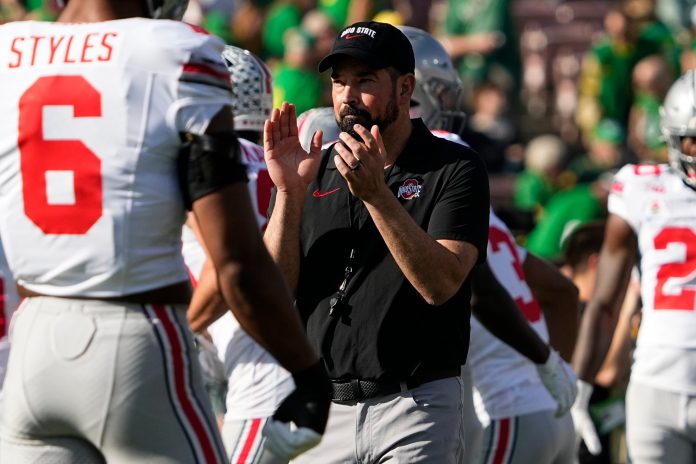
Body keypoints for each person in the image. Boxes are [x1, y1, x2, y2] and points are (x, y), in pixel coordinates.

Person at [0, 1, 330, 462]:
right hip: (135, 336)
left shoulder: (10, 48)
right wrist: (307, 371)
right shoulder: (178, 51)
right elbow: (235, 264)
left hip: (31, 344)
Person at [263, 21, 490, 463]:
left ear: (405, 89)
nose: (347, 96)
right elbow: (274, 292)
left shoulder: (454, 167)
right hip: (325, 408)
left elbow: (441, 283)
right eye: (339, 82)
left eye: (365, 80)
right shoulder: (311, 170)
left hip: (415, 405)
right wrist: (289, 194)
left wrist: (377, 196)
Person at [571, 69, 696, 463]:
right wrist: (578, 389)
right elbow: (605, 301)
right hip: (655, 384)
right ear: (674, 137)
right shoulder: (642, 188)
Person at [184, 44, 295, 464]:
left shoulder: (204, 167)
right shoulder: (283, 165)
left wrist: (181, 330)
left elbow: (226, 267)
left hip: (264, 383)